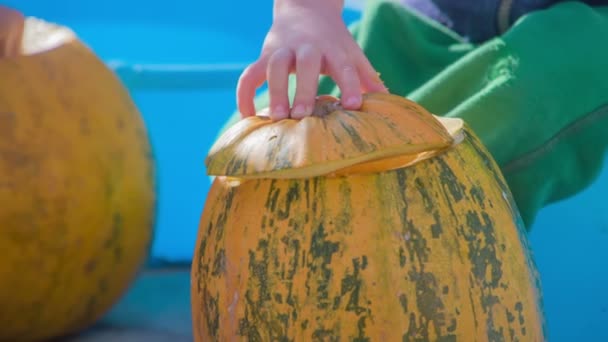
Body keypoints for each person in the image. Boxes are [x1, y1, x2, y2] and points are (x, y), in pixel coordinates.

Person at [227, 0, 608, 229]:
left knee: (530, 91)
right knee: (253, 159)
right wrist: (306, 13)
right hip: (422, 19)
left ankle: (407, 225)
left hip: (580, 29)